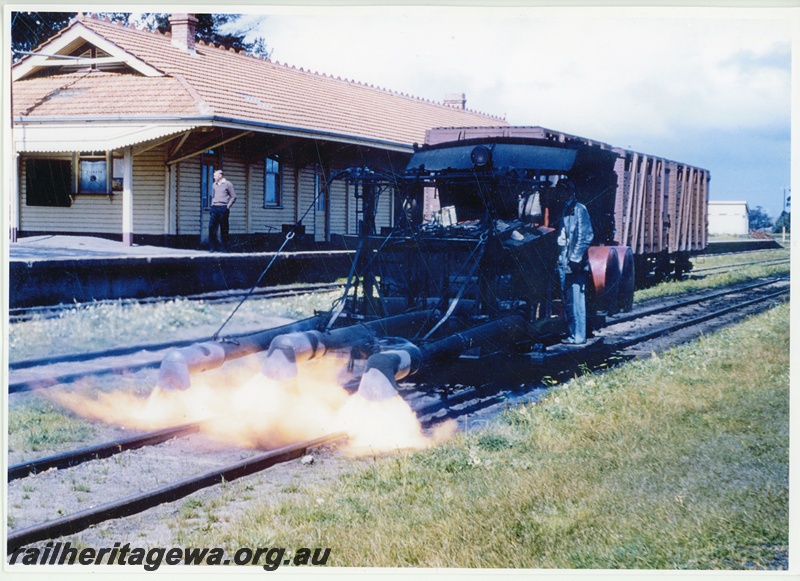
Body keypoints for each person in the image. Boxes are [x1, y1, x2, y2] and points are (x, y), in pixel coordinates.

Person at [555, 179, 594, 345]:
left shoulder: (579, 209)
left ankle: (578, 336)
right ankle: (573, 334)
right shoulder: (566, 209)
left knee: (576, 300)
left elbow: (586, 236)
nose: (561, 194)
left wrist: (574, 259)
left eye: (563, 191)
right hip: (565, 262)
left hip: (574, 264)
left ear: (570, 192)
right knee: (569, 300)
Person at [209, 170, 236, 252]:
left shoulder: (228, 184)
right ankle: (213, 247)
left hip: (223, 208)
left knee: (224, 228)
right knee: (211, 227)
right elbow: (213, 196)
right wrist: (212, 204)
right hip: (215, 208)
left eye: (215, 175)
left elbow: (233, 196)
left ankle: (225, 248)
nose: (213, 177)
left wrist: (228, 206)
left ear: (220, 175)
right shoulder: (214, 184)